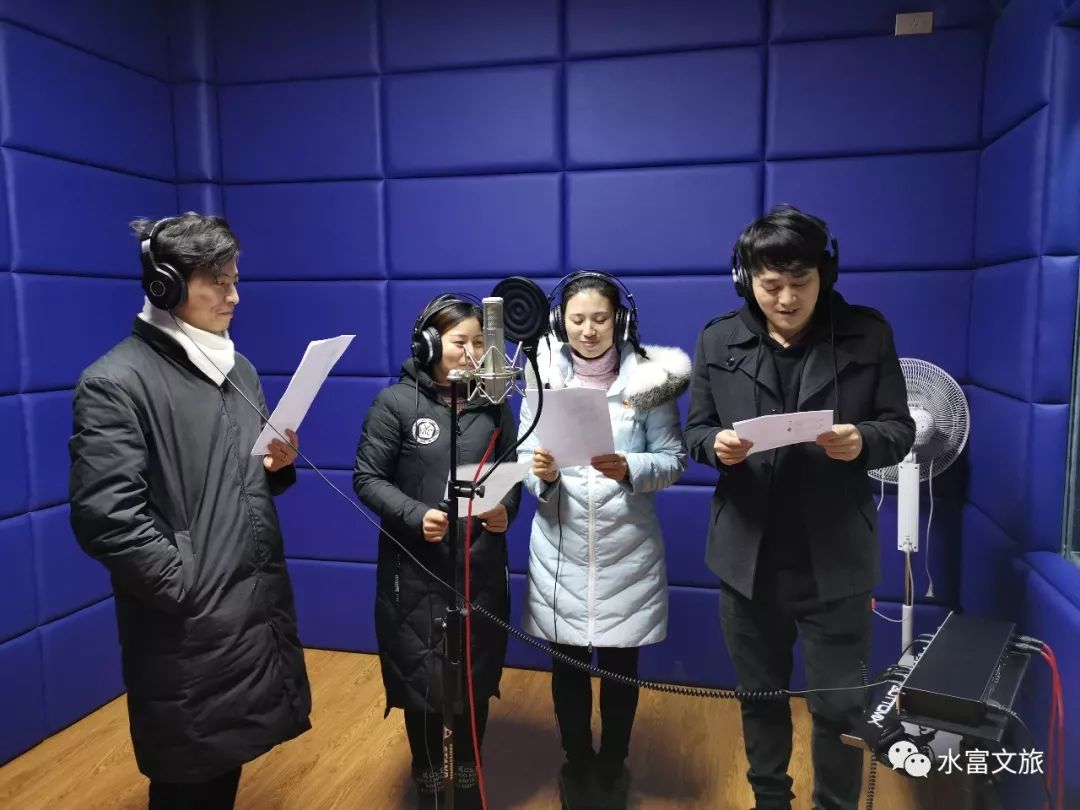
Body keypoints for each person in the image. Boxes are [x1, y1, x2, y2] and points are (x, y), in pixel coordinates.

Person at [69, 213, 311, 810]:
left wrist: (274, 466)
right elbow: (106, 517)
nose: (234, 296)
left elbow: (233, 478)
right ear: (166, 286)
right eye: (217, 282)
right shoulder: (114, 383)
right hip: (188, 621)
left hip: (248, 605)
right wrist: (186, 585)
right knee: (188, 776)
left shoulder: (236, 367)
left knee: (222, 764)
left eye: (235, 280)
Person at [684, 205, 916, 810]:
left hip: (835, 559)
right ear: (746, 279)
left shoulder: (867, 333)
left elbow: (899, 428)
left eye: (800, 282)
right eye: (771, 285)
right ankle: (770, 801)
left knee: (839, 706)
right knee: (759, 698)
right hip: (747, 557)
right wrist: (716, 446)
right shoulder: (717, 338)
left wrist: (863, 440)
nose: (786, 299)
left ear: (825, 274)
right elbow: (695, 431)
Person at [518, 271, 689, 810]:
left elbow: (673, 460)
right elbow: (524, 454)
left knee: (619, 670)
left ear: (621, 320)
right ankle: (576, 761)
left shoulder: (650, 383)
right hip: (560, 547)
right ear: (559, 322)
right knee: (567, 667)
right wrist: (542, 474)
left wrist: (630, 467)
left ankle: (614, 763)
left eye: (600, 318)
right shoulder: (541, 376)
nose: (588, 330)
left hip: (626, 550)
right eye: (577, 319)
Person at [352, 294, 521, 810]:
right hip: (415, 571)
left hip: (480, 567)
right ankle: (428, 777)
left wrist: (505, 511)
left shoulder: (495, 405)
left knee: (474, 679)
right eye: (458, 342)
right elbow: (367, 478)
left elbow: (510, 475)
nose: (471, 352)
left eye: (479, 343)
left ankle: (468, 773)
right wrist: (414, 514)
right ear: (428, 344)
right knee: (423, 682)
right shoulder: (394, 404)